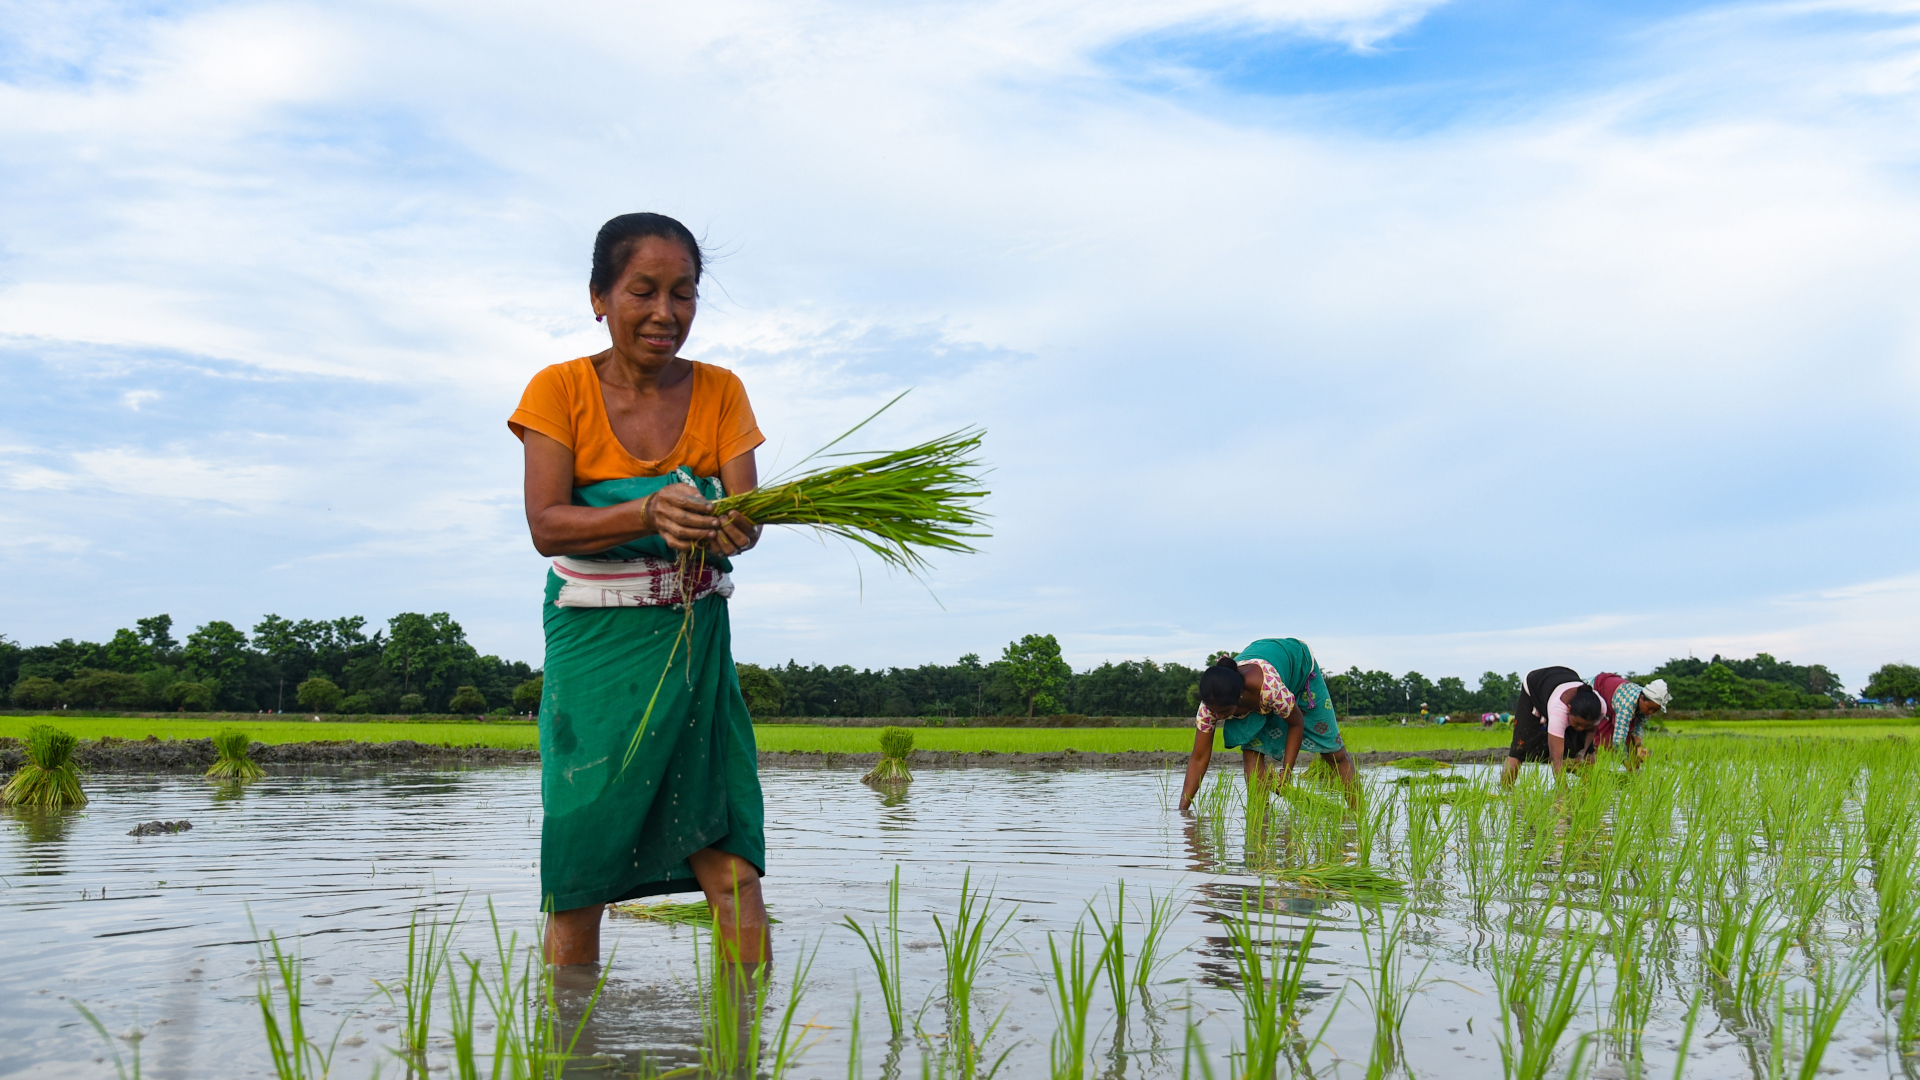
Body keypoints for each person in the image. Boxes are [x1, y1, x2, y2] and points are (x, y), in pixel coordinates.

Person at [509, 212, 770, 967]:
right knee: (579, 866)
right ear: (599, 297)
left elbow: (746, 519)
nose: (667, 313)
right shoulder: (557, 390)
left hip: (692, 644)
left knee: (731, 864)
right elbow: (547, 525)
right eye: (643, 291)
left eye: (684, 294)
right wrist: (648, 508)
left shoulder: (723, 392)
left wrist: (732, 529)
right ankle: (571, 1046)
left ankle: (745, 1041)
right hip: (595, 646)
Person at [1176, 639, 1358, 811]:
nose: (1217, 716)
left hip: (1297, 664)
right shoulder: (1210, 705)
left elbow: (1296, 723)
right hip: (1260, 668)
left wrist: (1287, 770)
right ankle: (1260, 825)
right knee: (1252, 756)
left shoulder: (1270, 690)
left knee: (1334, 754)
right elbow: (1199, 758)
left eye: (1223, 712)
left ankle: (1358, 814)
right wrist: (1182, 811)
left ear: (1239, 698)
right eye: (1213, 711)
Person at [1501, 666, 1603, 784]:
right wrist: (1563, 791)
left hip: (1561, 680)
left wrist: (1582, 752)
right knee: (1519, 748)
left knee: (1588, 751)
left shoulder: (1600, 707)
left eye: (1585, 726)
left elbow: (1590, 732)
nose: (1580, 728)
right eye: (1578, 724)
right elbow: (1556, 757)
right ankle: (1506, 791)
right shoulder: (1558, 711)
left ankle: (1590, 788)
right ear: (1569, 710)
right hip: (1535, 686)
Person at [1590, 673, 1671, 770]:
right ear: (1641, 698)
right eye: (1650, 708)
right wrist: (1627, 764)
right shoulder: (1626, 706)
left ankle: (1635, 770)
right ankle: (1590, 767)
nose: (1650, 712)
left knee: (1632, 744)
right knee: (1596, 736)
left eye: (1654, 710)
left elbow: (1637, 728)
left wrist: (1639, 746)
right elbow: (1618, 742)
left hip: (1614, 701)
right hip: (1597, 690)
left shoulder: (1644, 706)